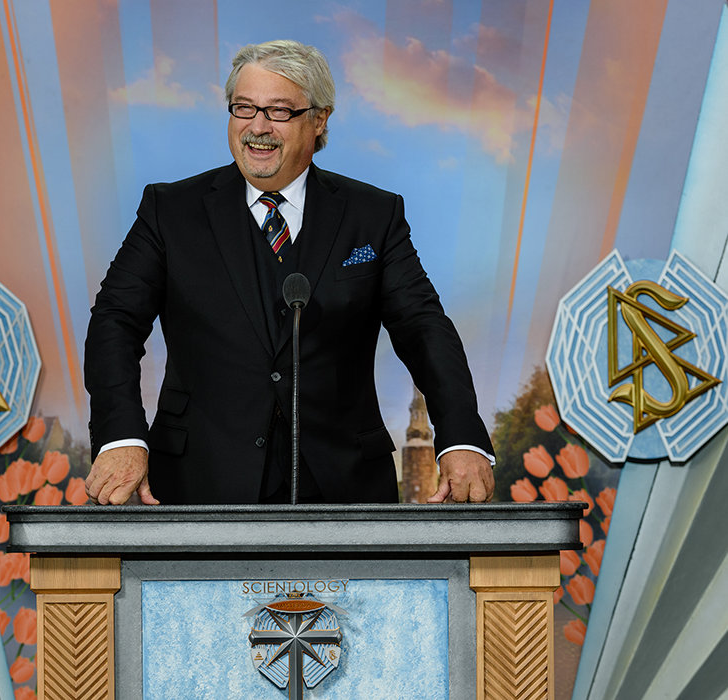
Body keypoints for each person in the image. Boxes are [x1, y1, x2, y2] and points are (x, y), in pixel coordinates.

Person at [84, 39, 495, 506]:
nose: (257, 127)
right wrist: (120, 437)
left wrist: (461, 437)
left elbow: (423, 327)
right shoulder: (169, 211)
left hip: (345, 491)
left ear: (319, 120)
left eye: (279, 111)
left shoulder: (373, 216)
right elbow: (115, 321)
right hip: (199, 484)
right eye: (244, 108)